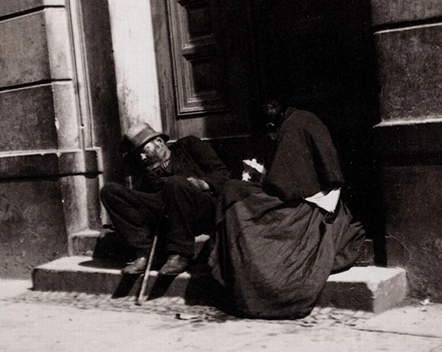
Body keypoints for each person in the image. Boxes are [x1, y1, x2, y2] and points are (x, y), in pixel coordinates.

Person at [208, 98, 366, 318]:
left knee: (232, 193)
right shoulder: (298, 121)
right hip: (306, 198)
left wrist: (259, 178)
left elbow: (285, 186)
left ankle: (252, 280)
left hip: (309, 205)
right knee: (234, 192)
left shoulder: (295, 125)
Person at [100, 122, 230, 275]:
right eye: (138, 154)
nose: (142, 157)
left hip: (202, 209)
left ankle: (180, 254)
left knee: (175, 182)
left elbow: (223, 174)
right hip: (167, 218)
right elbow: (148, 205)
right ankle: (145, 253)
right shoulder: (146, 171)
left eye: (144, 150)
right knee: (109, 191)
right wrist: (151, 177)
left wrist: (203, 183)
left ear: (159, 142)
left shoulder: (189, 146)